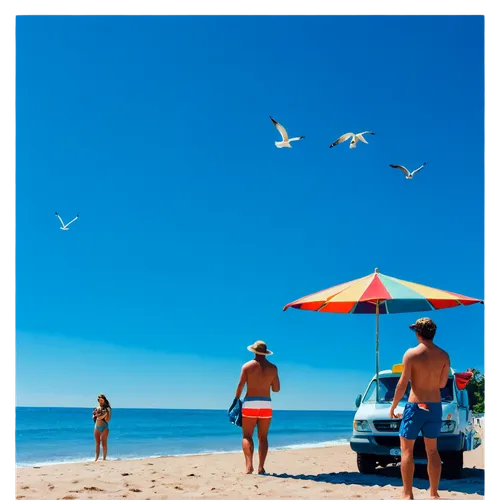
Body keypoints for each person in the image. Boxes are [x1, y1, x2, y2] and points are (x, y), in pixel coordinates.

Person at [389, 318, 450, 500]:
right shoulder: (444, 356)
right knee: (432, 451)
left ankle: (408, 494)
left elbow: (402, 384)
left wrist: (393, 406)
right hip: (434, 406)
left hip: (416, 405)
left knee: (407, 450)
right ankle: (434, 493)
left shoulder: (411, 354)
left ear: (417, 333)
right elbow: (441, 383)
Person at [235, 340, 280, 475]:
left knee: (247, 435)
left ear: (254, 352)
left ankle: (249, 466)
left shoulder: (247, 366)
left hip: (250, 403)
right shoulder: (273, 368)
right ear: (266, 353)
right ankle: (261, 467)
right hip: (266, 403)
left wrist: (236, 400)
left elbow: (240, 386)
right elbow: (276, 389)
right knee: (263, 437)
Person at [93, 394, 112, 461]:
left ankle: (104, 459)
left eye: (101, 400)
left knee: (104, 443)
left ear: (104, 400)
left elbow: (108, 420)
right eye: (99, 400)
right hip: (96, 426)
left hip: (104, 427)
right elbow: (94, 417)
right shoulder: (97, 408)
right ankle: (96, 459)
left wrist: (105, 414)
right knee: (97, 443)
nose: (100, 401)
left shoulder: (108, 409)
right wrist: (95, 416)